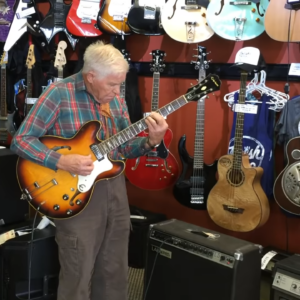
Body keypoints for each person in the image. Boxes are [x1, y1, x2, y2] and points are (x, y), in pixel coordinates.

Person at [10, 40, 168, 300]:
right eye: (113, 84)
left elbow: (123, 148)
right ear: (91, 76)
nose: (118, 92)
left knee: (115, 267)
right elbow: (21, 140)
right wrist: (60, 161)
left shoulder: (115, 99)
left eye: (121, 84)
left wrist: (152, 141)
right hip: (73, 192)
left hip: (114, 189)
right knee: (78, 271)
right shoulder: (59, 93)